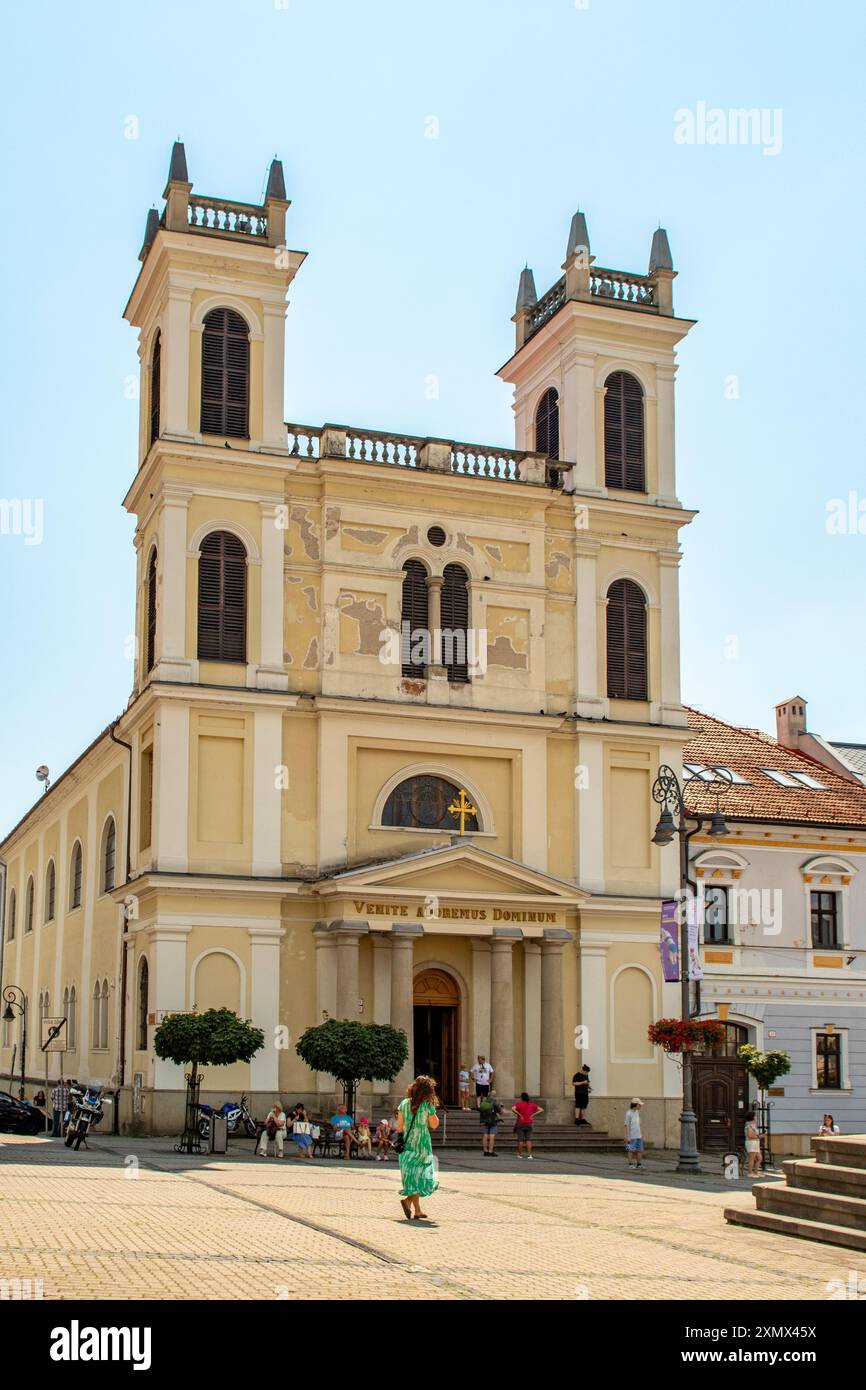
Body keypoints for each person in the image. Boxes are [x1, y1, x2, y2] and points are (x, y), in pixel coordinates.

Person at [396, 1075, 440, 1220]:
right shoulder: (427, 1105)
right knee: (422, 1176)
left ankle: (418, 1211)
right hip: (422, 1145)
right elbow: (434, 1125)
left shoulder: (403, 1103)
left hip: (407, 1144)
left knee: (414, 1177)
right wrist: (433, 1111)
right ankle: (408, 1201)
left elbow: (400, 1127)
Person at [511, 1093, 544, 1159]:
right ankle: (530, 1155)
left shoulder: (519, 1104)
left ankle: (520, 1155)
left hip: (521, 1123)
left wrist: (519, 1114)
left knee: (520, 1140)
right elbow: (541, 1110)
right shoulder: (532, 1105)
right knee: (528, 1140)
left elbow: (512, 1109)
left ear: (521, 1098)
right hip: (529, 1123)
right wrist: (533, 1115)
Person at [479, 1088, 502, 1156]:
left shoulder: (485, 1101)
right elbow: (501, 1112)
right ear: (494, 1095)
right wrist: (501, 1106)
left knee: (485, 1135)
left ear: (489, 1094)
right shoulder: (494, 1101)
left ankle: (485, 1151)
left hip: (485, 1120)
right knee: (492, 1136)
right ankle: (490, 1151)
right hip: (492, 1120)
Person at [624, 1097, 644, 1170]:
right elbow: (626, 1125)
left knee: (640, 1150)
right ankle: (630, 1164)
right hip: (632, 1136)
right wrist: (627, 1136)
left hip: (639, 1135)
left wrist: (641, 1134)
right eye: (639, 1105)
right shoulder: (628, 1113)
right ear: (635, 1105)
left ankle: (639, 1164)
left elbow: (638, 1124)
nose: (641, 1106)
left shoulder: (637, 1112)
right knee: (631, 1150)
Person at [744, 1110, 762, 1176]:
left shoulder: (753, 1125)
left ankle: (756, 1172)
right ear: (752, 1117)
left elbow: (754, 1134)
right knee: (752, 1158)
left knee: (759, 1158)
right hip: (751, 1143)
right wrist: (759, 1136)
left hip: (755, 1142)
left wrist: (758, 1136)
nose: (756, 1117)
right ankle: (750, 1172)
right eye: (755, 1116)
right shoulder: (748, 1125)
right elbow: (750, 1135)